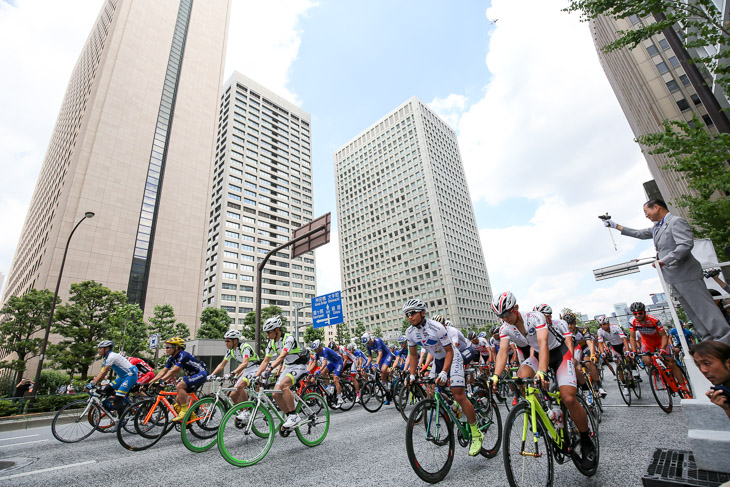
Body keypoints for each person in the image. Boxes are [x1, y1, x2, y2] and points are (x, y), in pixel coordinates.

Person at [490, 291, 596, 470]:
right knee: (521, 378)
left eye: (507, 313)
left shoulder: (535, 317)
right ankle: (540, 414)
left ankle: (586, 440)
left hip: (559, 353)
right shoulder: (505, 328)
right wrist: (495, 375)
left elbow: (544, 343)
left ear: (516, 308)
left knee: (568, 398)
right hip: (538, 355)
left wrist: (542, 372)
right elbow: (502, 352)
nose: (504, 318)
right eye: (500, 316)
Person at [603, 199, 730, 345]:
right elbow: (640, 233)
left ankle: (724, 341)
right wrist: (615, 226)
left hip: (686, 273)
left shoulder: (676, 222)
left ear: (656, 207)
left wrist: (665, 260)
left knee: (704, 310)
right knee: (693, 313)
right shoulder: (657, 227)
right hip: (673, 277)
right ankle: (709, 342)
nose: (646, 215)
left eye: (647, 211)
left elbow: (686, 244)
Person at [403, 298, 484, 456]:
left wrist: (445, 372)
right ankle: (454, 407)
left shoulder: (437, 327)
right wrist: (412, 375)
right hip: (438, 360)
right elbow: (413, 355)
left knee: (458, 394)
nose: (409, 317)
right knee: (432, 387)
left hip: (452, 357)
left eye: (412, 313)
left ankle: (476, 433)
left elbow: (450, 352)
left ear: (422, 312)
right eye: (407, 314)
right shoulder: (410, 332)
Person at [253, 316, 310, 429]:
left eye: (269, 332)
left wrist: (270, 369)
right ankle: (289, 416)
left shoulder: (288, 339)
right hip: (290, 366)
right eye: (266, 333)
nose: (267, 335)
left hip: (300, 365)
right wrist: (256, 375)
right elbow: (265, 361)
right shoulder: (271, 343)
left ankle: (294, 416)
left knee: (284, 386)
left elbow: (282, 356)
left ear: (277, 330)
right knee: (275, 393)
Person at [628, 302, 690, 394]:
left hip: (660, 340)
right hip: (647, 342)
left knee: (670, 362)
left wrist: (663, 348)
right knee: (647, 361)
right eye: (635, 314)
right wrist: (633, 350)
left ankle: (683, 386)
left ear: (644, 312)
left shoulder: (654, 320)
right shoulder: (632, 321)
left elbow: (664, 335)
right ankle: (661, 371)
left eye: (640, 313)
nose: (638, 315)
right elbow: (632, 337)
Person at [149, 337, 207, 421]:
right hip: (191, 375)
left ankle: (185, 410)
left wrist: (161, 380)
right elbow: (163, 372)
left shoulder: (183, 355)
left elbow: (174, 371)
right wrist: (150, 383)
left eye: (168, 347)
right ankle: (192, 416)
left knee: (180, 386)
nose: (166, 349)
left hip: (200, 373)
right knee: (178, 399)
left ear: (176, 347)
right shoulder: (171, 358)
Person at [208, 330, 260, 420]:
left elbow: (245, 363)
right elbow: (222, 365)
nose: (226, 343)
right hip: (247, 370)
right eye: (225, 341)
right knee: (233, 395)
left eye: (228, 341)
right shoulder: (230, 351)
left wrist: (233, 373)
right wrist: (211, 375)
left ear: (235, 340)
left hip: (256, 368)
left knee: (240, 386)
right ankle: (242, 412)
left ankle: (246, 412)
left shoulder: (245, 347)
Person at [86, 340, 138, 430]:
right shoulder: (107, 357)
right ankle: (116, 405)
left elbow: (103, 373)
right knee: (106, 390)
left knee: (118, 399)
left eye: (100, 348)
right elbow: (102, 373)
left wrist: (92, 384)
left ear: (107, 348)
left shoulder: (111, 357)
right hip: (123, 377)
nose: (98, 350)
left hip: (130, 376)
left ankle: (121, 420)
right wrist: (94, 383)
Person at [689, 341, 730, 419]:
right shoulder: (724, 391)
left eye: (707, 363)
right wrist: (726, 408)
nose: (703, 370)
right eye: (698, 365)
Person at [362, 332, 396, 403]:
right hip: (381, 358)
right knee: (382, 377)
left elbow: (380, 353)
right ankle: (388, 396)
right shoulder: (368, 346)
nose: (368, 344)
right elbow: (370, 357)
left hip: (387, 355)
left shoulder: (378, 340)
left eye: (368, 342)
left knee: (383, 370)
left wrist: (376, 364)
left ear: (370, 339)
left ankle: (392, 374)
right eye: (367, 344)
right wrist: (366, 365)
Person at [309, 339, 344, 408]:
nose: (315, 351)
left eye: (316, 349)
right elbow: (314, 362)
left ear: (319, 346)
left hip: (338, 362)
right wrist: (308, 371)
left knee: (335, 380)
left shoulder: (325, 350)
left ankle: (340, 398)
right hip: (332, 363)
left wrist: (318, 371)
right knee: (323, 373)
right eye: (314, 350)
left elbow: (324, 363)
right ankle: (329, 386)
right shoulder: (317, 353)